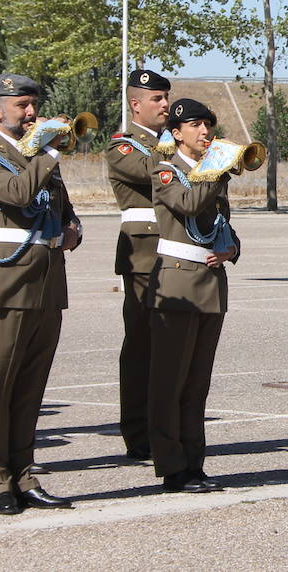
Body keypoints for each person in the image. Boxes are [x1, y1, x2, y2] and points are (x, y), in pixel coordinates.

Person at [0, 74, 81, 514]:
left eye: (33, 105)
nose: (31, 113)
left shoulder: (38, 156)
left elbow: (63, 209)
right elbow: (15, 193)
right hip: (5, 287)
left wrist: (74, 228)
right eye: (21, 106)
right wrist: (50, 151)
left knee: (30, 388)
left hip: (46, 285)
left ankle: (24, 474)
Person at [147, 99, 240, 493]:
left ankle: (194, 463)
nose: (205, 132)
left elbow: (220, 223)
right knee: (170, 382)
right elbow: (188, 204)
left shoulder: (209, 174)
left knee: (197, 383)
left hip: (210, 283)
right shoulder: (166, 171)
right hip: (178, 284)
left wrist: (232, 248)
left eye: (208, 125)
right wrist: (215, 170)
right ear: (177, 133)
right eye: (196, 125)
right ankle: (172, 467)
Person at [104, 69, 172, 461]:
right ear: (135, 104)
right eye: (156, 99)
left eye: (166, 98)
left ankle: (165, 426)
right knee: (142, 346)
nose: (165, 105)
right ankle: (137, 430)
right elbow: (155, 174)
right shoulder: (124, 145)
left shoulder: (171, 142)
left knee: (173, 346)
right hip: (144, 254)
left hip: (179, 252)